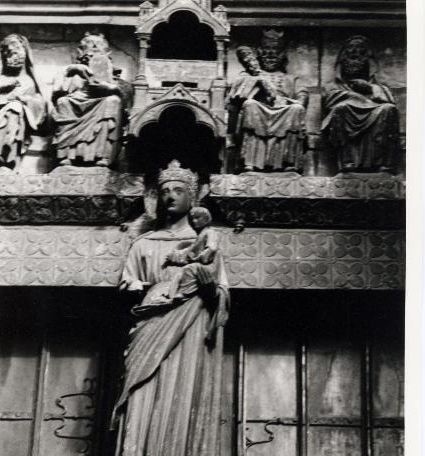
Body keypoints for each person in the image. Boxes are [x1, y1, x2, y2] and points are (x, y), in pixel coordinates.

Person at [112, 160, 229, 456]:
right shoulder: (144, 243)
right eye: (164, 191)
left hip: (190, 326)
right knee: (142, 396)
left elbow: (221, 293)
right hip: (150, 320)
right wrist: (151, 287)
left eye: (178, 190)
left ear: (193, 197)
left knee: (181, 396)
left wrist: (201, 279)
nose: (170, 197)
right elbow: (127, 285)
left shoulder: (206, 242)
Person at [228, 28, 308, 173]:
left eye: (275, 50)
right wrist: (258, 81)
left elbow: (302, 96)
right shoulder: (250, 75)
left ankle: (288, 162)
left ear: (282, 54)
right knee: (250, 105)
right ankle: (250, 162)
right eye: (266, 49)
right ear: (259, 53)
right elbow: (236, 94)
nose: (271, 54)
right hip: (260, 109)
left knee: (297, 110)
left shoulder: (291, 79)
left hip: (284, 110)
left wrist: (289, 102)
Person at [52, 32, 132, 167]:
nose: (94, 47)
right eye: (89, 45)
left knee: (113, 101)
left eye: (98, 45)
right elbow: (57, 93)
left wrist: (112, 87)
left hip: (103, 103)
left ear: (107, 52)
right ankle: (68, 155)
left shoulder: (117, 78)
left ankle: (103, 155)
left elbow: (128, 98)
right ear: (80, 52)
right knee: (63, 102)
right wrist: (72, 70)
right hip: (77, 104)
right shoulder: (73, 74)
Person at [322, 35, 400, 173]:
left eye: (361, 53)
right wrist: (357, 96)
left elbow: (389, 101)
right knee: (341, 108)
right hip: (347, 118)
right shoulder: (333, 86)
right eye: (350, 52)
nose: (355, 54)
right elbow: (329, 101)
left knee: (388, 109)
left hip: (374, 117)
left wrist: (369, 88)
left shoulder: (379, 87)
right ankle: (347, 161)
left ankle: (382, 163)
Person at [0, 34, 48, 169]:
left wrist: (23, 100)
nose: (12, 55)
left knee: (15, 108)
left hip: (15, 119)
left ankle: (6, 157)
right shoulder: (0, 79)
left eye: (17, 50)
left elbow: (40, 108)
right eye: (8, 52)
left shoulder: (30, 81)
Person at [163, 207, 220, 300]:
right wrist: (174, 255)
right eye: (192, 218)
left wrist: (200, 258)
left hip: (208, 266)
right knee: (179, 274)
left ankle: (185, 293)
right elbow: (188, 252)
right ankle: (171, 294)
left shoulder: (210, 232)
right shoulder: (199, 237)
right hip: (199, 265)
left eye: (197, 218)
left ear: (206, 219)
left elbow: (212, 248)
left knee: (189, 268)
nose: (194, 221)